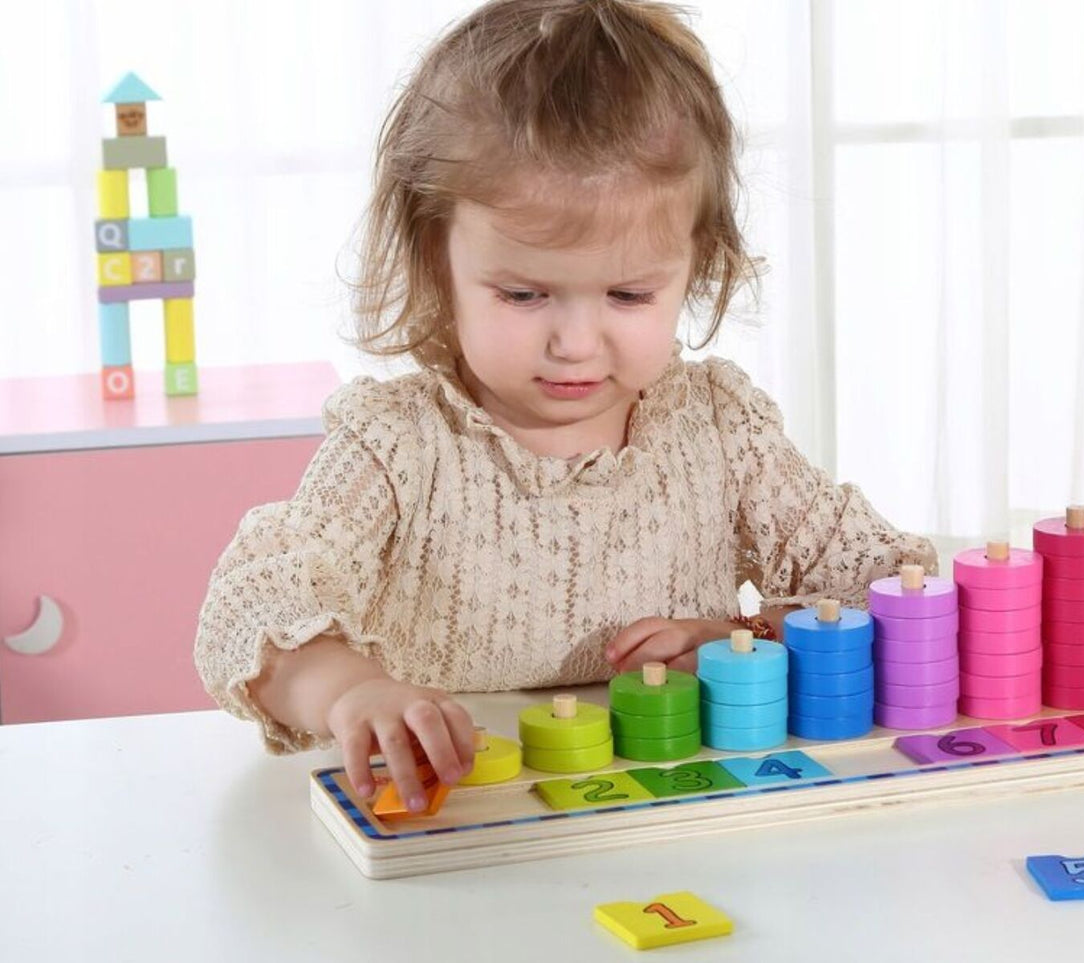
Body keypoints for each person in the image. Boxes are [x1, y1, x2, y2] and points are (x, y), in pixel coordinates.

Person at [194, 0, 935, 815]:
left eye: (628, 293)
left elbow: (896, 581)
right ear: (436, 262)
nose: (576, 342)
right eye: (522, 292)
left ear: (696, 265)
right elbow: (249, 607)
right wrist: (349, 691)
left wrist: (742, 643)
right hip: (458, 816)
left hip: (664, 814)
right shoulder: (398, 445)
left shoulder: (719, 429)